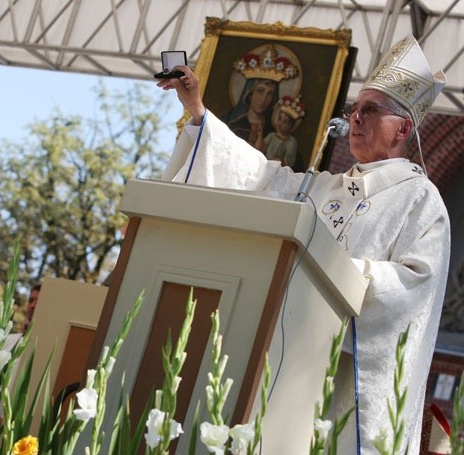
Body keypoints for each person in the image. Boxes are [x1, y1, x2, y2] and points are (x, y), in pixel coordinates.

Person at [157, 34, 449, 453]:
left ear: (403, 128)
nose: (356, 119)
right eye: (354, 109)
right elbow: (259, 177)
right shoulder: (324, 185)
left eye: (371, 110)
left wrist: (341, 271)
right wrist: (200, 114)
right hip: (287, 355)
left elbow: (415, 284)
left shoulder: (420, 200)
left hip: (350, 376)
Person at [262, 95, 305, 170]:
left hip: (278, 169)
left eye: (285, 121)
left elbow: (289, 161)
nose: (280, 123)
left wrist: (278, 161)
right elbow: (262, 148)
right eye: (280, 119)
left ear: (291, 126)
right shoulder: (271, 136)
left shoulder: (291, 142)